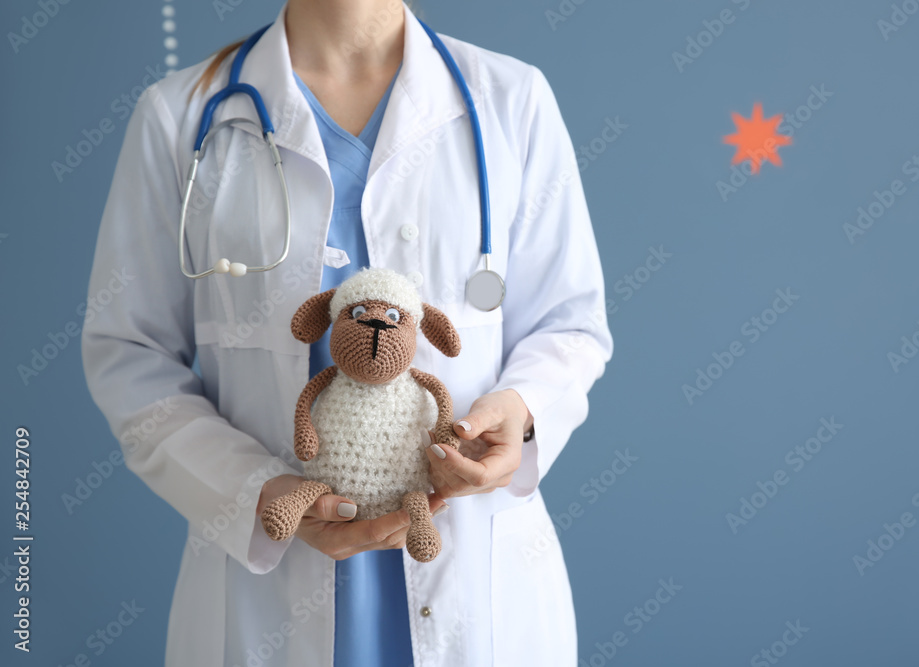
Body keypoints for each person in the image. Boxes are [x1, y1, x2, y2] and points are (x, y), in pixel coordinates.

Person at [80, 0, 613, 665]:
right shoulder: (181, 116)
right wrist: (254, 492)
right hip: (264, 599)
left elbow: (569, 322)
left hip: (476, 585)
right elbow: (130, 354)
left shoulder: (512, 101)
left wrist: (521, 411)